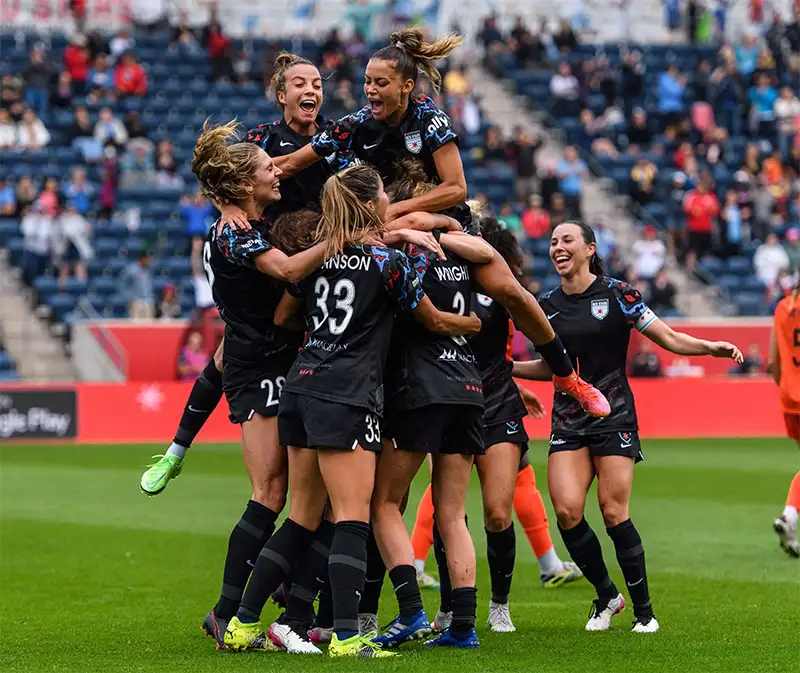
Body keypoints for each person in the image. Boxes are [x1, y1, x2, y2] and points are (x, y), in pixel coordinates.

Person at [263, 28, 610, 419]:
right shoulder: (357, 124)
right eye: (366, 82)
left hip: (444, 222)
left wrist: (402, 212)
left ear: (406, 86)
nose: (370, 91)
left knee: (509, 290)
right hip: (389, 229)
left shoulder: (429, 119)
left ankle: (567, 378)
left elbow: (456, 188)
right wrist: (233, 180)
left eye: (381, 83)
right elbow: (292, 163)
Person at [221, 164, 480, 658]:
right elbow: (427, 316)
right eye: (384, 193)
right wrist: (462, 307)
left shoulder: (321, 255)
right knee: (352, 517)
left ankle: (240, 622)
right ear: (371, 204)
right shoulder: (389, 263)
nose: (390, 199)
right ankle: (346, 636)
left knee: (300, 516)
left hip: (300, 387)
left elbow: (283, 315)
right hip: (347, 394)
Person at [513, 220, 742, 634]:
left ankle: (644, 612)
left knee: (613, 510)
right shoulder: (543, 305)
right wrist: (506, 367)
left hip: (615, 414)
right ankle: (606, 595)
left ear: (589, 249)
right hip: (568, 416)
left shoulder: (620, 295)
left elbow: (668, 337)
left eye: (566, 240)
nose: (557, 248)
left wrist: (710, 347)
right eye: (552, 242)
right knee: (566, 511)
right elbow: (549, 368)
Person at [141, 52, 336, 498]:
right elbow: (226, 179)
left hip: (317, 261)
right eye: (300, 84)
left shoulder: (338, 137)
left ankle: (177, 448)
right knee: (238, 346)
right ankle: (176, 450)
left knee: (233, 351)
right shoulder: (261, 141)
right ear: (282, 95)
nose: (312, 90)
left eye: (317, 84)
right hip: (278, 260)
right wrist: (228, 207)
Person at [179, 120, 336, 651]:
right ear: (245, 184)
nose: (278, 171)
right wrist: (343, 235)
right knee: (271, 492)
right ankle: (227, 612)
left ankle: (286, 601)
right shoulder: (235, 234)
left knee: (301, 495)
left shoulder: (240, 227)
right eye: (269, 167)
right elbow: (290, 268)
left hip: (273, 359)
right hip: (257, 367)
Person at [406, 212, 582, 639]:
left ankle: (499, 606)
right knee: (451, 514)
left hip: (498, 403)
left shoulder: (498, 282)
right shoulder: (431, 273)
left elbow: (517, 338)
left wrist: (523, 382)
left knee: (497, 514)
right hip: (451, 398)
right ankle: (449, 608)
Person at [767, 279, 800, 558]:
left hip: (790, 400)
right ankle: (790, 515)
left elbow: (771, 362)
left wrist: (785, 388)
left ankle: (790, 523)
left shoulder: (782, 309)